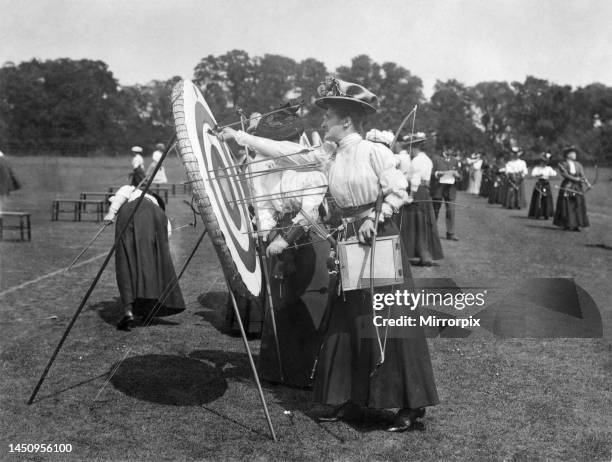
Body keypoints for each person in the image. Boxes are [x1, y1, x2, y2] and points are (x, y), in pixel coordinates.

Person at [225, 76, 439, 432]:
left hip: (377, 236)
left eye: (328, 117)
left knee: (384, 316)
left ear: (347, 121)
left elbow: (398, 192)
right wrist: (242, 138)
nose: (322, 123)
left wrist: (376, 218)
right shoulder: (328, 154)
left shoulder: (375, 152)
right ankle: (353, 396)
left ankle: (408, 404)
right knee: (349, 317)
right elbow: (285, 153)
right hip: (350, 238)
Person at [219, 102, 330, 387]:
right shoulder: (262, 166)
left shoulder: (311, 163)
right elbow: (265, 205)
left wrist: (284, 239)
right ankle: (278, 368)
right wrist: (266, 233)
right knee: (280, 302)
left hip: (309, 238)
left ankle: (311, 370)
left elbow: (310, 212)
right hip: (277, 241)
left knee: (309, 300)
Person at [103, 185, 185, 330]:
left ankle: (129, 311)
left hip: (130, 213)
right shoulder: (158, 209)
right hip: (156, 219)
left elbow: (121, 195)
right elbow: (168, 234)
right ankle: (149, 308)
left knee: (126, 261)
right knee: (151, 263)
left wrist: (111, 213)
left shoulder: (131, 189)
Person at [396, 133, 443, 266]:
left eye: (410, 147)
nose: (409, 150)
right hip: (424, 192)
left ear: (415, 147)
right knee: (423, 222)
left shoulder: (417, 160)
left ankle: (414, 253)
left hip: (417, 192)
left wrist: (411, 195)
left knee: (413, 223)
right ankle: (423, 254)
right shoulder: (426, 159)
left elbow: (415, 179)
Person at [553, 146, 590, 231]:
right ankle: (567, 224)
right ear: (568, 155)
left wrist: (587, 183)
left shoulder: (578, 164)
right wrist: (575, 179)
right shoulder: (562, 164)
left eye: (575, 153)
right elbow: (565, 174)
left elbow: (582, 175)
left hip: (577, 187)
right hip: (568, 186)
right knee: (567, 205)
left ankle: (577, 224)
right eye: (573, 153)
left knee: (577, 204)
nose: (575, 155)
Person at [431, 147, 462, 240]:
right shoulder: (436, 159)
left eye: (452, 148)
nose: (451, 150)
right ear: (444, 148)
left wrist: (458, 176)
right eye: (449, 148)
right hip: (438, 188)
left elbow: (461, 176)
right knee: (435, 211)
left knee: (451, 211)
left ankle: (450, 233)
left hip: (451, 189)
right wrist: (437, 173)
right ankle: (432, 233)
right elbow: (430, 173)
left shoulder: (455, 161)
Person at [527, 152, 557, 219]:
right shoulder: (537, 168)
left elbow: (554, 174)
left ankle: (547, 213)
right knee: (538, 198)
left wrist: (549, 174)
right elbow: (533, 174)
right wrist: (538, 175)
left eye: (546, 162)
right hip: (539, 183)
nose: (544, 163)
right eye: (543, 162)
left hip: (546, 183)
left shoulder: (548, 168)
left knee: (546, 198)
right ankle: (537, 213)